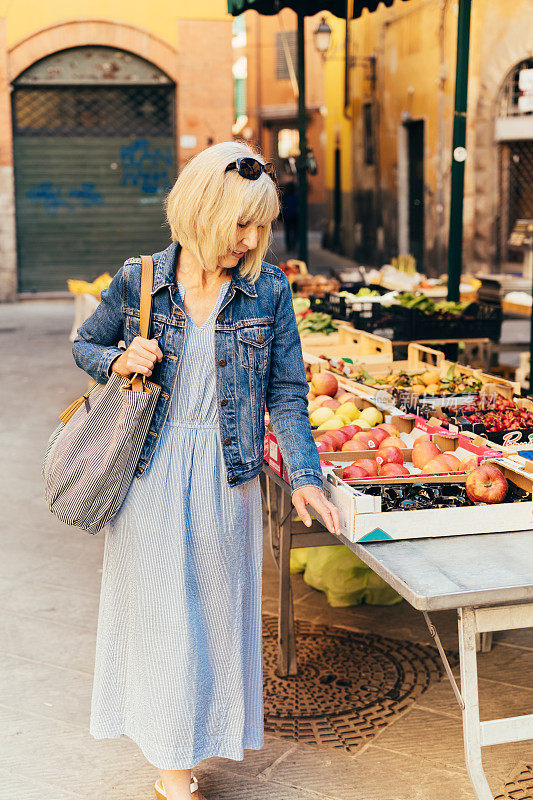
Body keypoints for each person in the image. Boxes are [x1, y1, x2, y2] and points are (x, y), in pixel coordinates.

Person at [72, 141, 340, 800]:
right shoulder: (139, 278)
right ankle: (172, 772)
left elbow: (286, 392)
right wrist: (118, 359)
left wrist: (304, 475)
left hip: (227, 478)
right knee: (161, 619)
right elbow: (85, 343)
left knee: (214, 621)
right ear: (199, 211)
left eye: (260, 225)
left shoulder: (269, 290)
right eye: (238, 224)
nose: (249, 241)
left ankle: (191, 747)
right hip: (148, 476)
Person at [281, 180, 298, 252]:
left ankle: (289, 246)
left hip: (287, 217)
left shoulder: (285, 197)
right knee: (294, 231)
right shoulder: (296, 197)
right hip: (294, 217)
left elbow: (282, 207)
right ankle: (293, 245)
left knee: (288, 232)